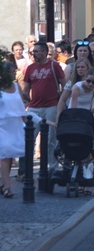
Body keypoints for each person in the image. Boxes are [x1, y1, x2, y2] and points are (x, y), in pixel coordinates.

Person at [20, 42, 65, 178]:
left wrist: (61, 103)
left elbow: (64, 84)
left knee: (52, 138)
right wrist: (23, 104)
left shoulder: (54, 66)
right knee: (28, 137)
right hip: (34, 107)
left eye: (37, 51)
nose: (34, 54)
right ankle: (25, 171)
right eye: (33, 52)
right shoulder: (30, 68)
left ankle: (52, 167)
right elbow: (26, 88)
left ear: (45, 52)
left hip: (51, 106)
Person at [1, 58, 35, 198]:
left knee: (9, 157)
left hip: (14, 124)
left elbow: (21, 105)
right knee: (4, 155)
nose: (13, 75)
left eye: (14, 72)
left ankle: (3, 183)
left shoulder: (16, 86)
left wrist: (26, 122)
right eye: (10, 72)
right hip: (2, 124)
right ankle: (7, 187)